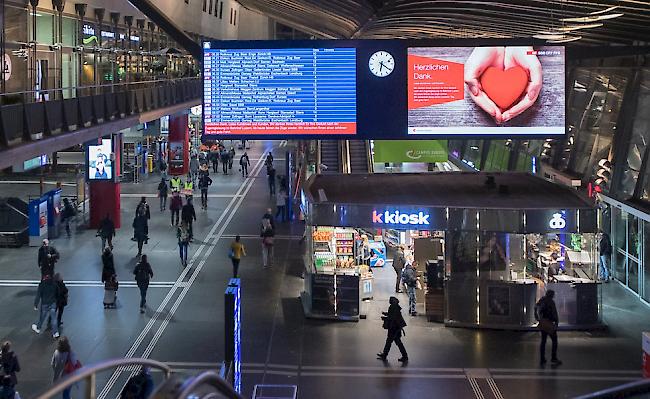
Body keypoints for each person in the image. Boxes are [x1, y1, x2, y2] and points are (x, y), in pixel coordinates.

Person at [377, 296, 408, 362]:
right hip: (396, 327)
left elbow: (392, 318)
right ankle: (404, 356)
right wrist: (386, 314)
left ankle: (404, 356)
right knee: (393, 342)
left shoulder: (392, 307)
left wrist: (385, 318)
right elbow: (392, 315)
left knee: (392, 342)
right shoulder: (395, 306)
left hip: (394, 328)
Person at [535, 289, 561, 366]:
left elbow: (536, 307)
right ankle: (553, 358)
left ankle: (542, 359)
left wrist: (537, 317)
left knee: (543, 341)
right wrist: (556, 322)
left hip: (543, 323)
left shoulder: (542, 300)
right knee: (554, 341)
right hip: (549, 323)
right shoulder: (551, 302)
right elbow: (554, 313)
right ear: (551, 295)